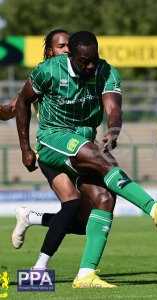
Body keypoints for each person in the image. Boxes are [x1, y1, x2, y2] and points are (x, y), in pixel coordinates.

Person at [15, 31, 157, 288]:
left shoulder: (106, 72)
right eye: (84, 62)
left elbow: (114, 108)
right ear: (71, 56)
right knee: (101, 162)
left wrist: (113, 130)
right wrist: (25, 147)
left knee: (104, 199)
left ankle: (85, 275)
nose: (91, 66)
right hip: (53, 137)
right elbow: (22, 103)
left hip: (84, 142)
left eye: (94, 59)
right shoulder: (48, 71)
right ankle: (153, 208)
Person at [7, 29, 94, 271]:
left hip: (82, 148)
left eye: (69, 45)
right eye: (61, 46)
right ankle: (39, 268)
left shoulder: (80, 71)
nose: (66, 49)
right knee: (72, 204)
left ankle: (31, 217)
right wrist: (25, 149)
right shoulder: (43, 76)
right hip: (53, 150)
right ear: (49, 51)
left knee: (89, 223)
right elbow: (14, 108)